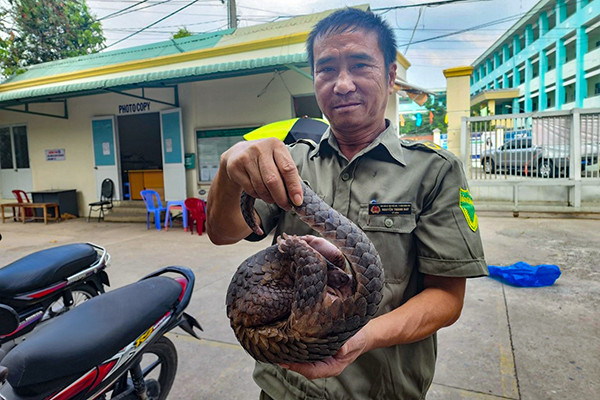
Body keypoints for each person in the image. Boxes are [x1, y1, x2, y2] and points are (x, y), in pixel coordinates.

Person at [207, 7, 487, 400]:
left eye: (359, 64)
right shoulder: (289, 162)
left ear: (390, 76)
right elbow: (222, 233)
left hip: (380, 390)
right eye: (326, 69)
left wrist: (359, 336)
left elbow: (447, 298)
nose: (342, 84)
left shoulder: (433, 171)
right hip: (283, 388)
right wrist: (227, 170)